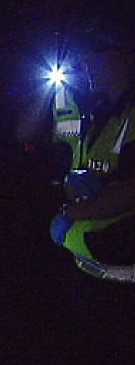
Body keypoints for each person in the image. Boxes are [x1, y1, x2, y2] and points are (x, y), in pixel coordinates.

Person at [48, 33, 135, 280]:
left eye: (94, 57)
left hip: (124, 267)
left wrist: (74, 212)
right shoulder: (100, 114)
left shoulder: (130, 115)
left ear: (121, 60)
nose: (86, 66)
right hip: (96, 266)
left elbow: (130, 189)